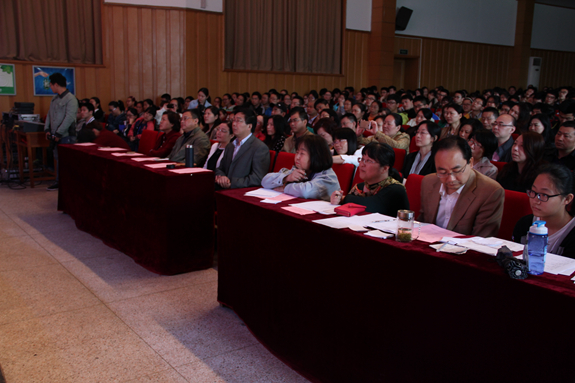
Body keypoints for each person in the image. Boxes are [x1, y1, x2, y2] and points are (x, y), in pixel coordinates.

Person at [418, 136, 505, 237]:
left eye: (457, 171)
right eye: (442, 172)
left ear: (471, 162)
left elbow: (481, 241)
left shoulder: (490, 192)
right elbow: (423, 225)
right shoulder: (429, 182)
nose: (451, 179)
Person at [513, 164, 575, 257]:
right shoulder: (524, 224)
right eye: (533, 192)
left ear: (567, 199)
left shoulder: (571, 234)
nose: (535, 200)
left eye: (544, 195)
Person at [331, 142, 409, 215]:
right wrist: (338, 199)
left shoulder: (396, 189)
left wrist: (344, 199)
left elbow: (371, 206)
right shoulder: (359, 187)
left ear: (384, 168)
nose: (362, 164)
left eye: (369, 161)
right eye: (362, 159)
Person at [262, 135, 339, 201]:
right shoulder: (300, 169)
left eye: (302, 153)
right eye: (297, 152)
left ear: (316, 156)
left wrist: (285, 187)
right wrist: (287, 178)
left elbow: (305, 191)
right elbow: (265, 181)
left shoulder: (328, 176)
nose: (297, 157)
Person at [215, 108, 270, 189]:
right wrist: (222, 177)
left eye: (238, 121)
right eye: (233, 120)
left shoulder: (259, 148)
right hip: (223, 189)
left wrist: (230, 182)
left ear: (249, 126)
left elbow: (257, 178)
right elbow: (220, 168)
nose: (233, 124)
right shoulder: (230, 145)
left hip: (241, 190)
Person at [43, 73, 78, 191]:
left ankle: (67, 182)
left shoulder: (71, 99)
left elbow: (69, 118)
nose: (50, 87)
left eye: (51, 85)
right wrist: (47, 129)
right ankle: (59, 181)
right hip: (54, 134)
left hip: (66, 135)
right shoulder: (55, 98)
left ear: (56, 84)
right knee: (58, 158)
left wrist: (58, 133)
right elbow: (49, 114)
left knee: (66, 160)